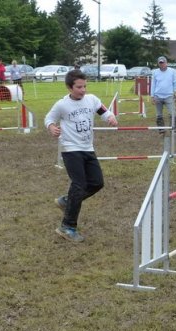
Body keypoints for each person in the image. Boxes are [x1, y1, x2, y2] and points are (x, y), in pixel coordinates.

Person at [45, 70, 118, 242]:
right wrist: (51, 127)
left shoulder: (91, 99)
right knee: (79, 185)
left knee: (97, 183)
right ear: (70, 87)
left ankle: (67, 201)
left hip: (88, 147)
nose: (83, 90)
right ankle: (67, 226)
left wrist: (110, 117)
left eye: (85, 86)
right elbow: (49, 118)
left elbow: (102, 110)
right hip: (70, 149)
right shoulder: (62, 105)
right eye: (79, 87)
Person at [150, 56, 176, 134]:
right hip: (157, 96)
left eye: (163, 63)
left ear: (166, 63)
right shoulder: (155, 72)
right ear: (158, 64)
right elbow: (153, 84)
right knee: (159, 114)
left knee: (173, 114)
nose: (162, 64)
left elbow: (175, 83)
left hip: (169, 96)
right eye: (160, 63)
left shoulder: (172, 71)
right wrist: (152, 96)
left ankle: (173, 129)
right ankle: (161, 129)